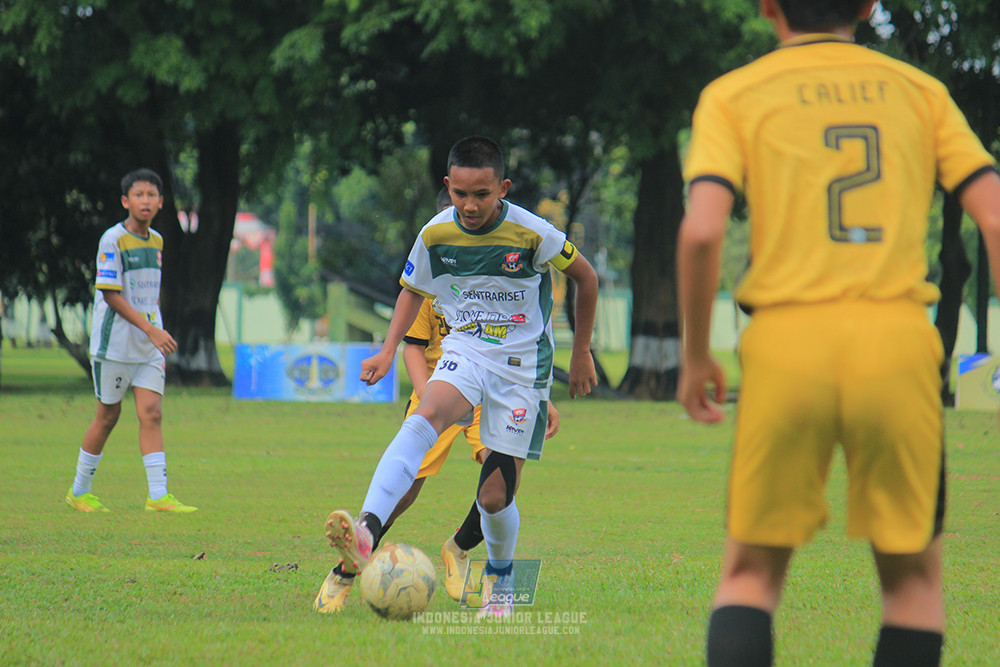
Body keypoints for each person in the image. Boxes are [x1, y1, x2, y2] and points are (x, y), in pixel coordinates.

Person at [677, 1, 1000, 665]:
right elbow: (993, 217)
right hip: (899, 345)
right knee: (912, 584)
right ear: (868, 5)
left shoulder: (732, 94)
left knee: (749, 576)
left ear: (768, 6)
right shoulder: (922, 93)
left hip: (786, 343)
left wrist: (694, 356)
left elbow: (704, 229)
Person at [320, 136, 598, 618]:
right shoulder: (434, 234)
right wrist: (388, 351)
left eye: (482, 194)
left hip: (521, 370)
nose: (470, 205)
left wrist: (581, 354)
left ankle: (502, 579)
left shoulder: (533, 232)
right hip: (464, 352)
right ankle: (365, 531)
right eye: (461, 194)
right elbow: (411, 290)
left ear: (502, 188)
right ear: (448, 186)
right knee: (425, 414)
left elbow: (587, 278)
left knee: (494, 498)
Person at [65, 168, 197, 514]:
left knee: (152, 413)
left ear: (161, 203)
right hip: (116, 345)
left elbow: (147, 295)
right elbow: (111, 295)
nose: (145, 201)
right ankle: (79, 491)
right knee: (107, 416)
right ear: (126, 201)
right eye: (138, 195)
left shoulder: (157, 241)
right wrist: (150, 329)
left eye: (151, 195)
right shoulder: (112, 240)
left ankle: (158, 495)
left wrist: (155, 330)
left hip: (148, 345)